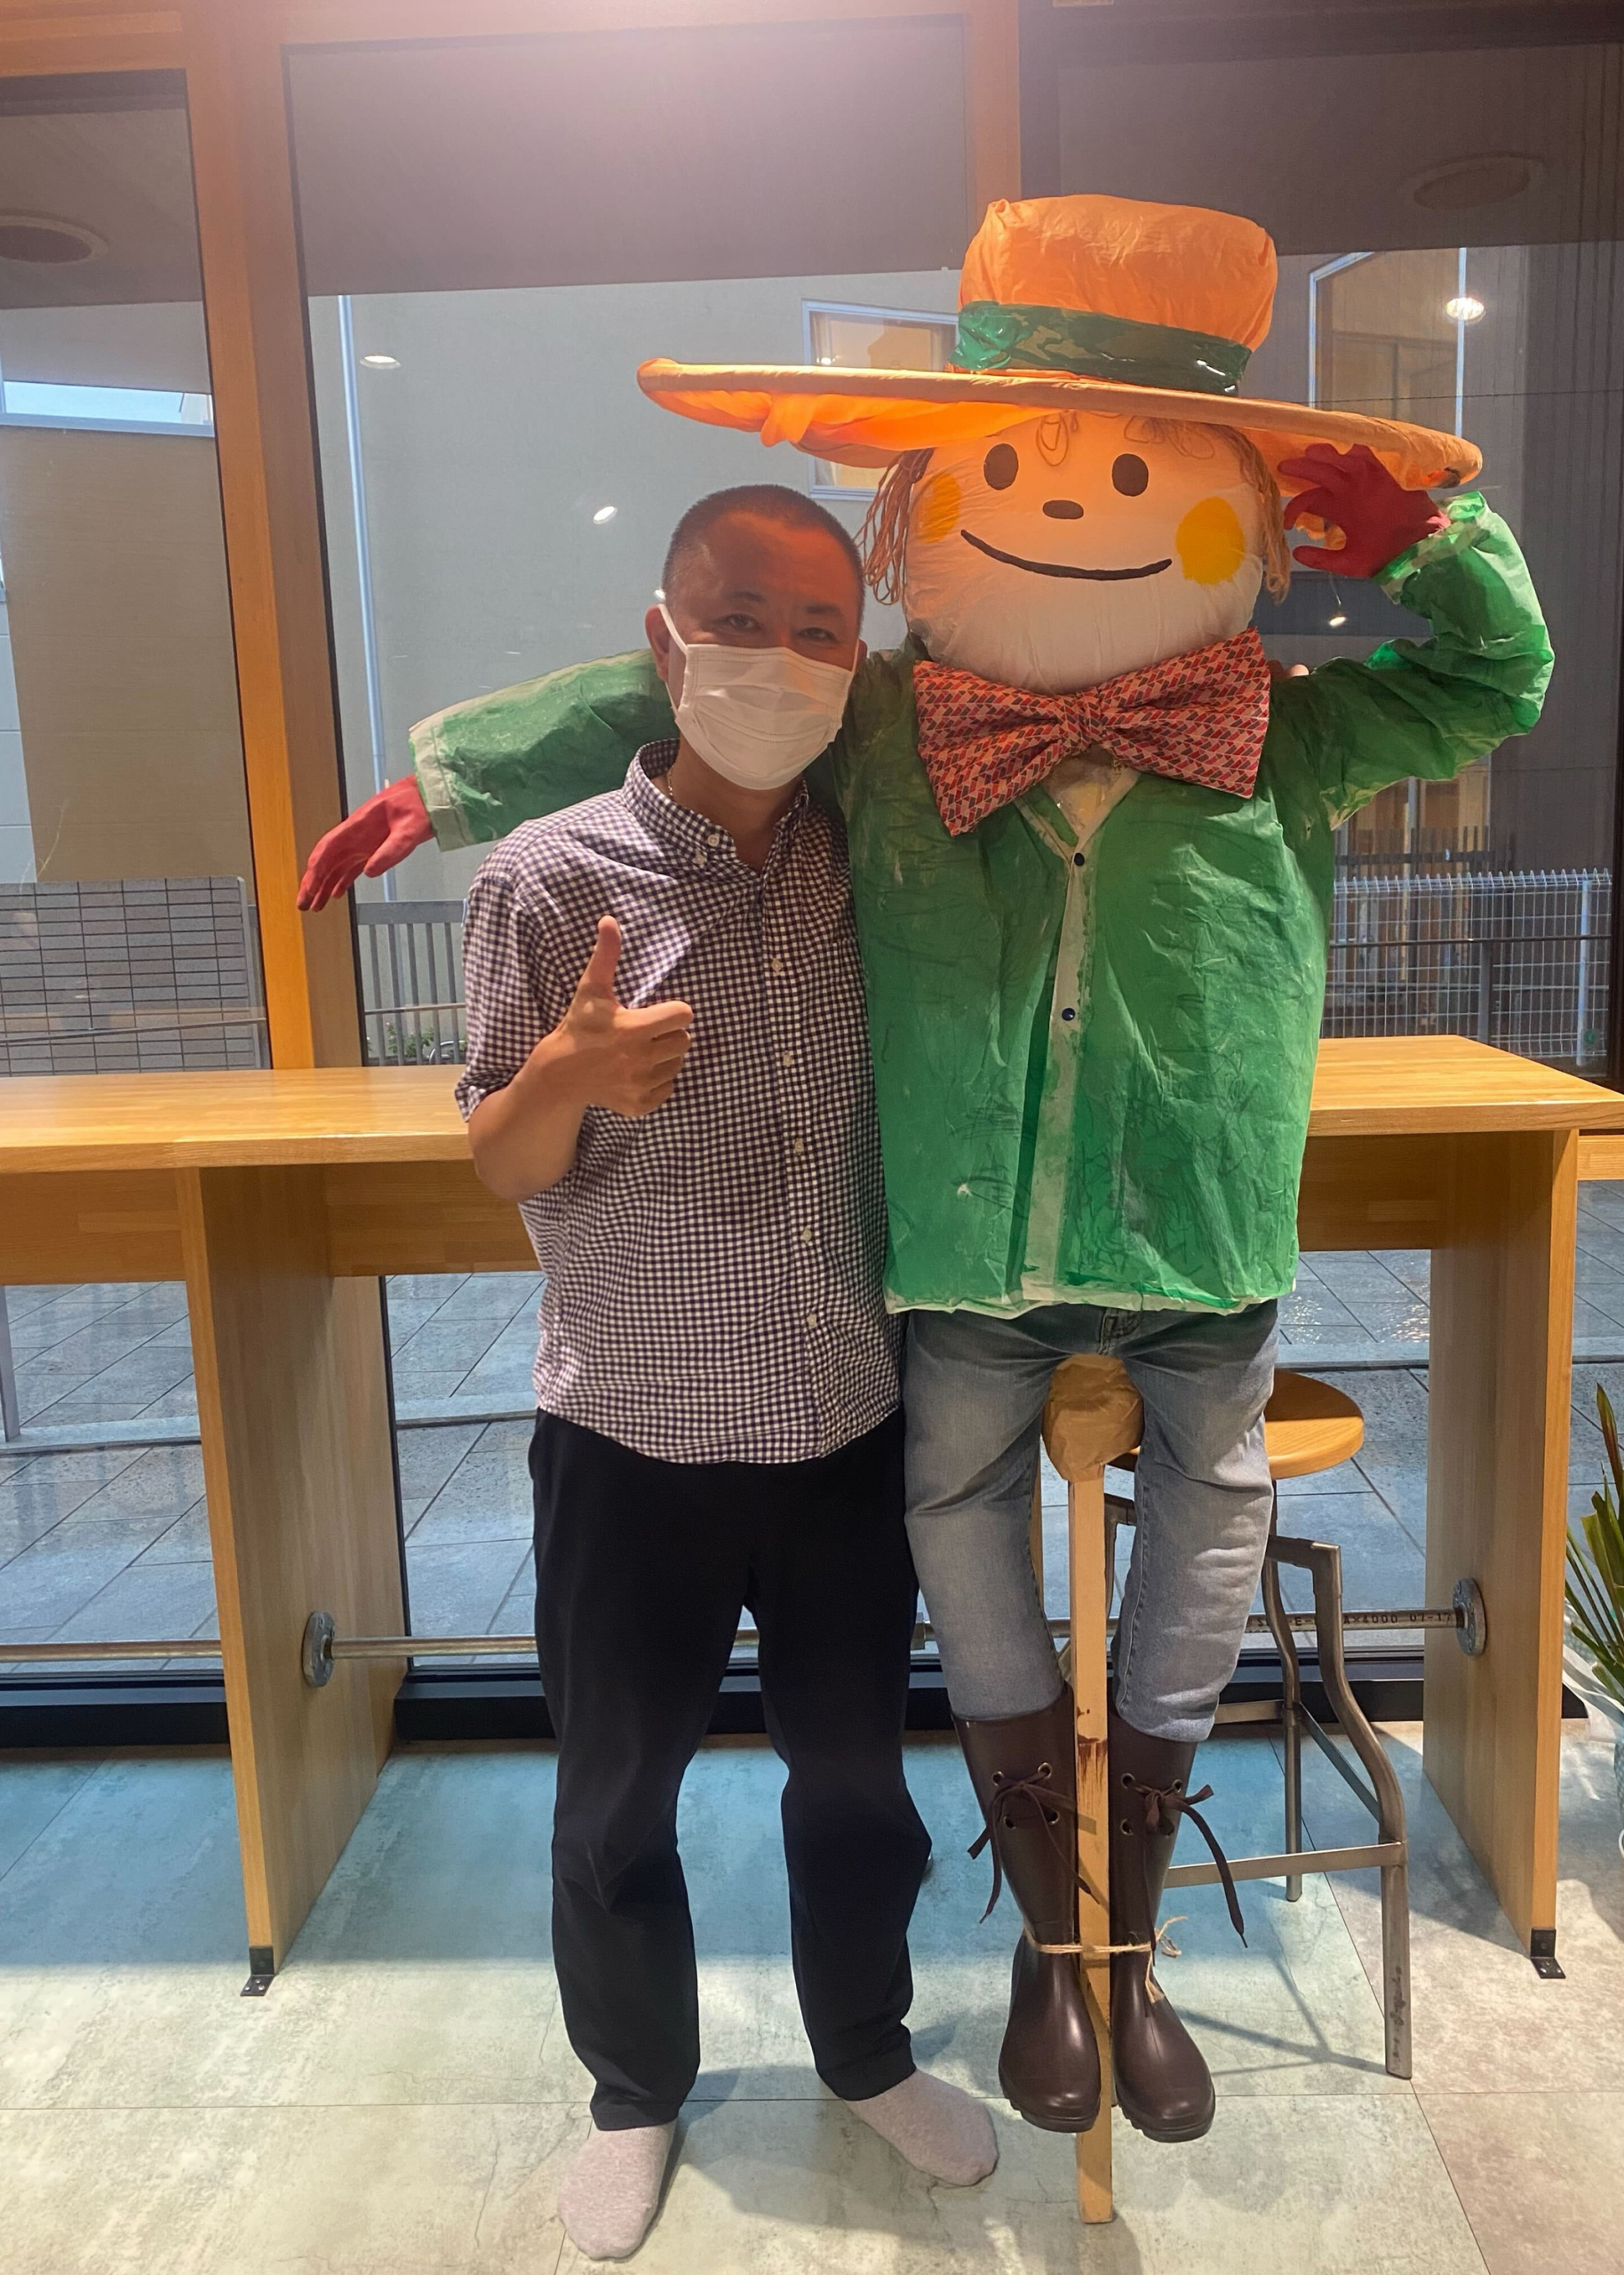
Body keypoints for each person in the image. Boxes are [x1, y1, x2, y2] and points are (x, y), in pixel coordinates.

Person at [306, 196, 1552, 2153]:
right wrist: (456, 779)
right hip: (952, 1266)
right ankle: (960, 1964)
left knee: (1201, 1529)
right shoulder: (883, 729)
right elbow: (676, 680)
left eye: (1140, 472)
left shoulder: (1276, 731)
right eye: (1026, 468)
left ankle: (1109, 1946)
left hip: (1200, 1234)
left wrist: (1427, 538)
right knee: (939, 1551)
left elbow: (1489, 684)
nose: (1077, 507)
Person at [457, 484, 996, 2262]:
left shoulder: (872, 862)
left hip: (843, 1419)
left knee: (857, 1779)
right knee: (616, 1790)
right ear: (665, 637)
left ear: (858, 661)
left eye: (821, 628)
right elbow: (498, 1159)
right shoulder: (547, 877)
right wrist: (565, 1078)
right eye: (741, 618)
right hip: (632, 1430)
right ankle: (634, 2088)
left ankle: (866, 2051)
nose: (780, 658)